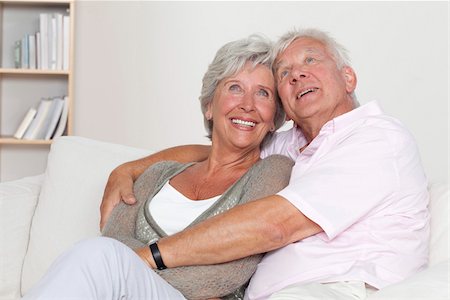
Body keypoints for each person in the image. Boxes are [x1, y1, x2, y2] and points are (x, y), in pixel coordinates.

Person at [100, 28, 430, 300]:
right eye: (284, 72)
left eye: (310, 60)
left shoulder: (376, 139)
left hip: (341, 288)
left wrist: (147, 257)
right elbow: (223, 149)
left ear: (348, 78)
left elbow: (275, 225)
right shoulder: (294, 144)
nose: (297, 73)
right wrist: (129, 169)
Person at [22, 35, 294, 300]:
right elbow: (115, 241)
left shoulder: (271, 172)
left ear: (274, 119)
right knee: (101, 255)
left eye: (263, 93)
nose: (247, 104)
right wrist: (130, 273)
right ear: (209, 105)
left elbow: (232, 270)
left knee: (98, 256)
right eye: (235, 87)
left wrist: (133, 269)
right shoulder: (156, 174)